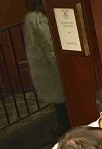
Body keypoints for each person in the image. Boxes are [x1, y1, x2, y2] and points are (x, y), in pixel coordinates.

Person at [24, 0, 69, 136]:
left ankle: (64, 127)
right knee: (62, 101)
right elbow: (50, 46)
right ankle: (65, 129)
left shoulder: (34, 17)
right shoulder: (38, 19)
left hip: (47, 67)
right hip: (51, 68)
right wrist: (64, 65)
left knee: (61, 101)